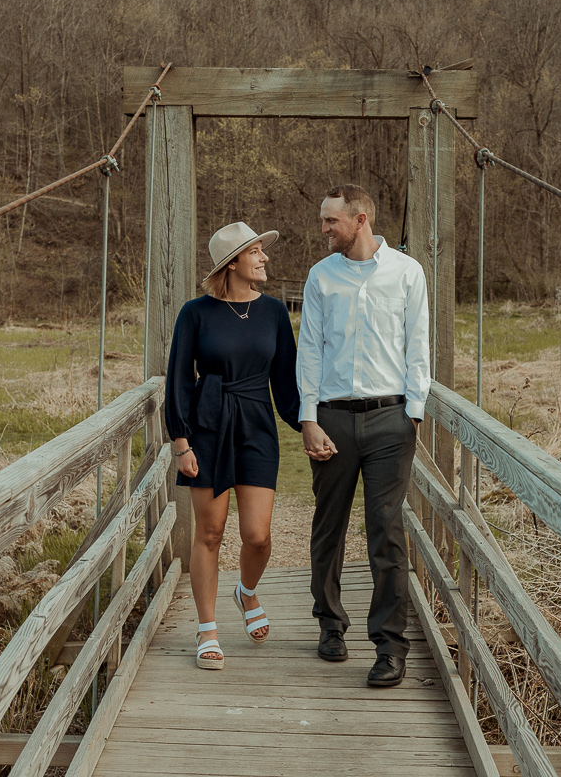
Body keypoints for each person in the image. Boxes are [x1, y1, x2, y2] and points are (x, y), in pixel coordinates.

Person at [297, 183, 430, 687]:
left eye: (332, 220)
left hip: (390, 420)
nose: (324, 228)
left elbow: (419, 345)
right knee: (329, 525)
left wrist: (412, 415)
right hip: (331, 417)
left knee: (386, 530)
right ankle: (330, 624)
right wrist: (308, 418)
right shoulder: (320, 276)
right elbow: (309, 350)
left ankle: (390, 645)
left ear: (361, 219)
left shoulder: (407, 273)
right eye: (323, 218)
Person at [165, 221, 301, 669]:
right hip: (208, 425)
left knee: (257, 536)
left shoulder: (274, 313)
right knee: (209, 532)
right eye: (256, 252)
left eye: (262, 251)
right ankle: (207, 631)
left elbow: (286, 382)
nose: (264, 259)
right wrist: (181, 443)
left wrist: (314, 424)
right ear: (233, 262)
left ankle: (246, 591)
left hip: (257, 425)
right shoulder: (195, 313)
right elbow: (180, 380)